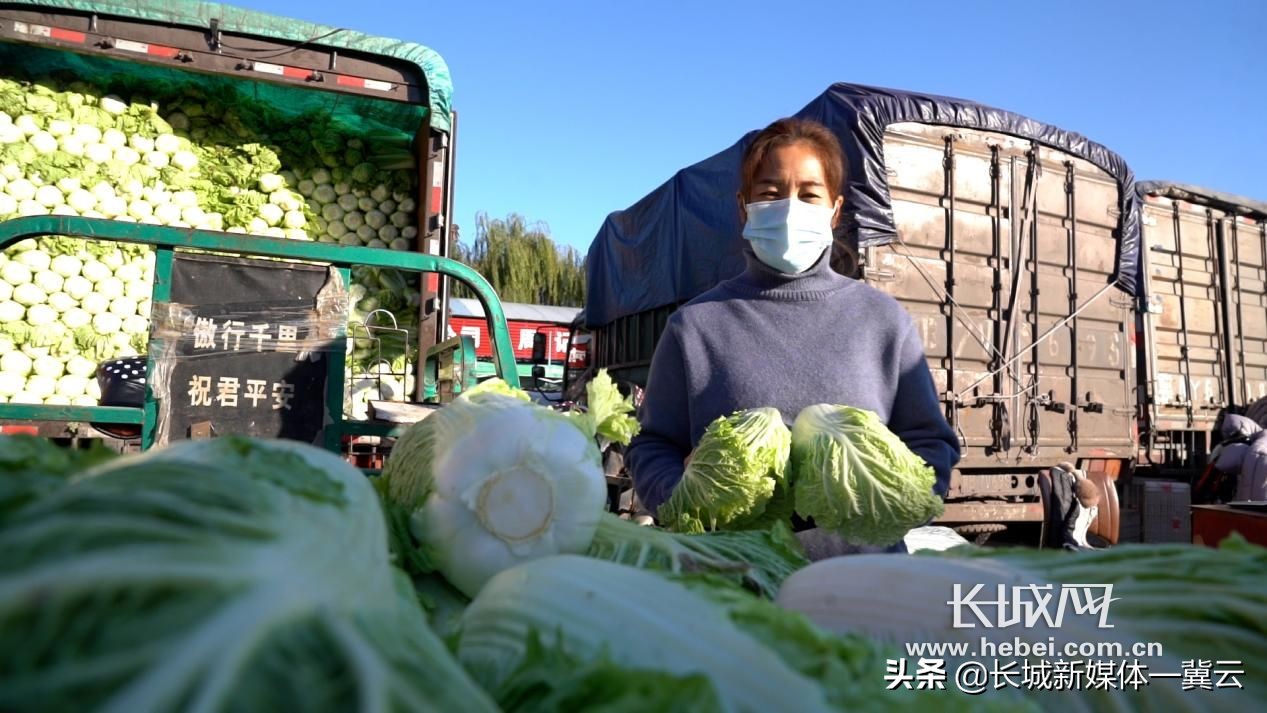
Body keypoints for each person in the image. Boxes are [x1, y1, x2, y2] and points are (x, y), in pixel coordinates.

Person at [625, 117, 961, 555]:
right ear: (744, 208)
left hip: (864, 580)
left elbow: (931, 443)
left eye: (808, 194)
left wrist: (889, 502)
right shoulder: (696, 325)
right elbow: (653, 445)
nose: (789, 207)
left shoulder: (882, 320)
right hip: (736, 576)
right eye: (770, 193)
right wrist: (686, 501)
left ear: (835, 211)